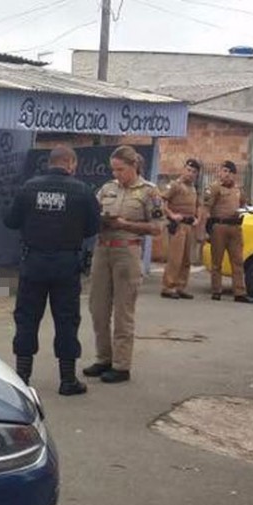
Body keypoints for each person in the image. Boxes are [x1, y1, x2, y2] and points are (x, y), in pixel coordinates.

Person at [5, 145, 100, 395]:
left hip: (33, 262)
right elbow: (92, 227)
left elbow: (11, 220)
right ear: (70, 163)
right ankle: (67, 380)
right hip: (66, 264)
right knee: (67, 320)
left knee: (27, 318)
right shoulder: (82, 190)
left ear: (50, 163)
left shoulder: (29, 187)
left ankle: (22, 378)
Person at [84, 145, 165, 384]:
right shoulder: (107, 189)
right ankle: (103, 358)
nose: (116, 173)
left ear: (134, 167)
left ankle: (121, 364)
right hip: (102, 250)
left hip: (127, 251)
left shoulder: (149, 192)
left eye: (120, 169)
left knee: (123, 310)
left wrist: (125, 224)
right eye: (114, 169)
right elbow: (92, 213)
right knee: (97, 308)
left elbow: (157, 228)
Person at [202, 161, 253, 303]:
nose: (225, 174)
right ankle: (216, 291)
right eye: (223, 171)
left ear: (234, 175)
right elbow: (206, 209)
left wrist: (247, 209)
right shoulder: (214, 188)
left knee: (238, 261)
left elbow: (244, 203)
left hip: (235, 228)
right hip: (219, 227)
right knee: (217, 261)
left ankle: (239, 292)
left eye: (228, 172)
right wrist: (205, 229)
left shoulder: (238, 189)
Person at [160, 159, 202, 299]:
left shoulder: (193, 188)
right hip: (177, 225)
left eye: (194, 172)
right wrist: (172, 215)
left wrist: (197, 218)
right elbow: (163, 203)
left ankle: (180, 286)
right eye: (188, 170)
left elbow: (197, 205)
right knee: (175, 258)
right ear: (183, 169)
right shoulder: (174, 185)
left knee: (186, 259)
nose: (190, 174)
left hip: (189, 225)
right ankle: (168, 287)